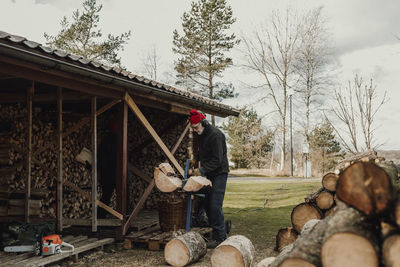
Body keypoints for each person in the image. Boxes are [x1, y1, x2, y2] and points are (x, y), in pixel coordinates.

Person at [188, 109, 229, 248]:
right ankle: (221, 228)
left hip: (219, 173)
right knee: (207, 204)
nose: (194, 130)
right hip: (209, 173)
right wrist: (196, 159)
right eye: (192, 128)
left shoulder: (216, 135)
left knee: (214, 205)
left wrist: (201, 170)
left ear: (203, 123)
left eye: (196, 127)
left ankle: (220, 238)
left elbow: (217, 159)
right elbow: (203, 151)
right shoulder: (202, 134)